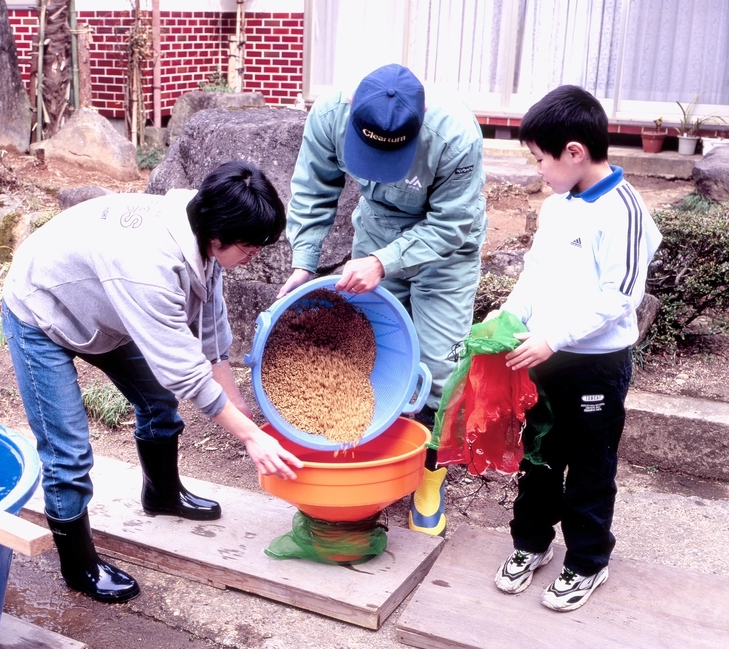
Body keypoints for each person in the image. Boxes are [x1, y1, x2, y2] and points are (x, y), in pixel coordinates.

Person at [1, 161, 303, 604]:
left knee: (158, 401)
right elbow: (183, 370)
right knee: (68, 450)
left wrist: (239, 407)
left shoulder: (202, 230)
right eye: (250, 247)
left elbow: (210, 329)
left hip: (102, 305)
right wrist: (251, 437)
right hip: (41, 310)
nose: (254, 255)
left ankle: (162, 494)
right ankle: (78, 565)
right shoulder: (148, 266)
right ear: (216, 237)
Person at [278, 63, 488, 535]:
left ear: (422, 119)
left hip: (445, 252)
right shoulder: (330, 113)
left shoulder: (455, 135)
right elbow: (313, 188)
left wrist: (383, 262)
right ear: (353, 109)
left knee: (438, 369)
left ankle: (429, 478)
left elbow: (451, 224)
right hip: (377, 230)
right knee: (374, 350)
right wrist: (304, 262)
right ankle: (377, 455)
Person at [492, 85, 661, 612]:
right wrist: (508, 316)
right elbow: (535, 274)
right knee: (539, 455)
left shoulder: (625, 211)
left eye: (540, 159)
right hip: (543, 358)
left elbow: (620, 297)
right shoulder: (557, 207)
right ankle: (531, 543)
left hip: (595, 368)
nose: (538, 170)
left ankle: (587, 561)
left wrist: (553, 337)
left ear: (573, 152)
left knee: (590, 467)